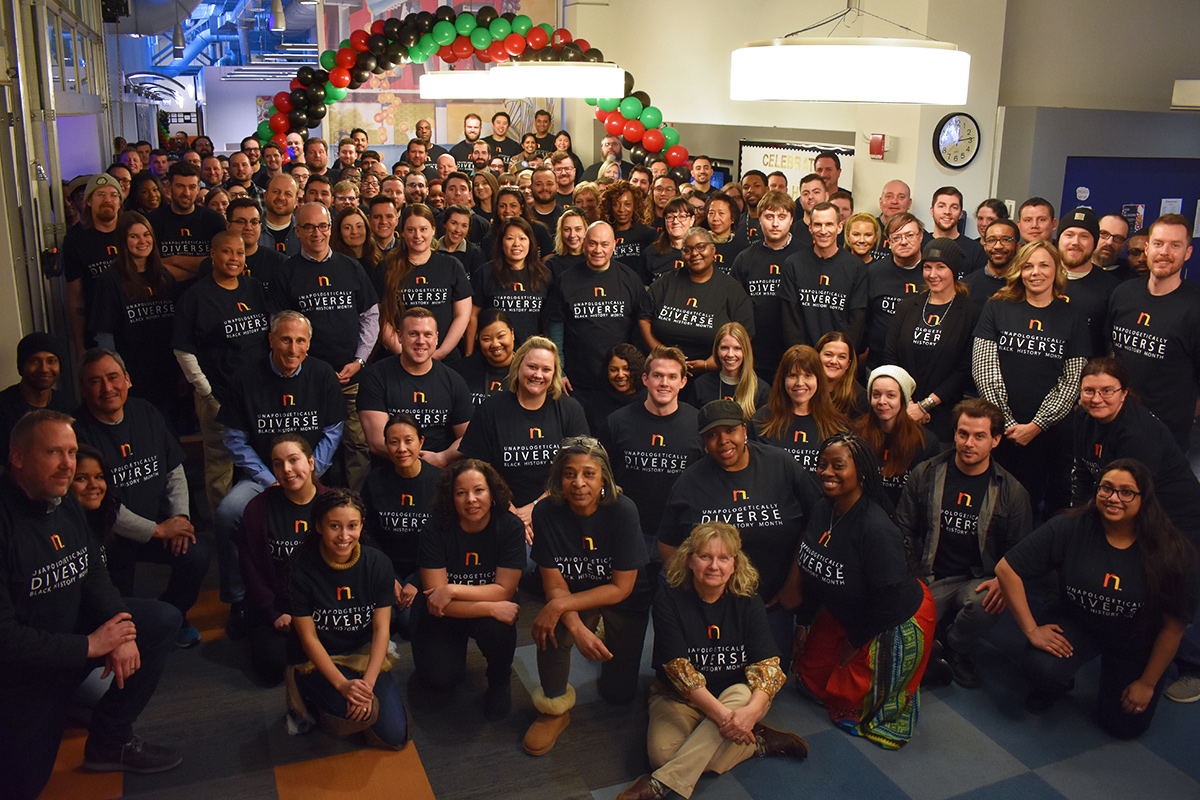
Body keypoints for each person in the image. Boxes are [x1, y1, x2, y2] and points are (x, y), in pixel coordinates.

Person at [0, 411, 182, 799]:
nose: (68, 465)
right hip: (21, 672)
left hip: (72, 633)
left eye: (71, 452)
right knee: (24, 784)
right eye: (53, 453)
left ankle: (110, 741)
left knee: (160, 621)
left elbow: (92, 572)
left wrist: (121, 628)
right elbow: (4, 638)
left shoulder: (62, 498)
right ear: (17, 457)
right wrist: (91, 646)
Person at [994, 460, 1199, 737]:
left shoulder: (1172, 552)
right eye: (1106, 489)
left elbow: (1174, 628)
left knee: (1123, 726)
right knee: (1042, 668)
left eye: (1127, 492)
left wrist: (1147, 684)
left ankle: (1121, 679)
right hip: (1077, 623)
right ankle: (1058, 683)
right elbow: (1006, 568)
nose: (1114, 498)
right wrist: (1031, 630)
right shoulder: (1071, 526)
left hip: (1135, 639)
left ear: (1145, 499)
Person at [616, 522, 806, 800]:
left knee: (679, 760)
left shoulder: (748, 600)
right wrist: (733, 723)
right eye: (705, 556)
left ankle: (659, 785)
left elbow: (768, 668)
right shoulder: (668, 599)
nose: (714, 566)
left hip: (736, 695)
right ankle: (758, 743)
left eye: (723, 558)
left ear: (734, 564)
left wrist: (751, 712)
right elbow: (680, 674)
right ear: (690, 560)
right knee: (662, 756)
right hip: (679, 697)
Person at [775, 433, 936, 750]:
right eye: (822, 465)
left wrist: (855, 642)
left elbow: (886, 599)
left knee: (851, 710)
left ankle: (923, 664)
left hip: (892, 617)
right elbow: (814, 573)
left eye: (838, 466)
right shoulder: (824, 509)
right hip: (847, 607)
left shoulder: (876, 528)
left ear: (861, 472)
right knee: (809, 683)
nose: (827, 472)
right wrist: (804, 624)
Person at [214, 310, 346, 635]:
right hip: (262, 476)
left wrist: (308, 472)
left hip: (311, 473)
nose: (292, 348)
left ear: (309, 344)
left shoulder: (323, 374)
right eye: (285, 339)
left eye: (300, 341)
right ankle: (239, 599)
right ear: (271, 339)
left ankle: (333, 595)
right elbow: (234, 438)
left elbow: (333, 429)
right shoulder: (245, 378)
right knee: (227, 512)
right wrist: (269, 478)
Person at [661, 399, 820, 660]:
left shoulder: (780, 464)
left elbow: (814, 522)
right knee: (715, 680)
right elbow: (668, 543)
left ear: (745, 430)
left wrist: (793, 582)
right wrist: (696, 590)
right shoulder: (689, 482)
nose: (723, 441)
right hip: (716, 605)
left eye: (730, 431)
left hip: (773, 601)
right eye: (712, 435)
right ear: (703, 440)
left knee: (771, 680)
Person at [524, 437, 651, 756]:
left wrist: (559, 604)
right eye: (569, 474)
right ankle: (553, 707)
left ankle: (604, 627)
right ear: (558, 477)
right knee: (550, 628)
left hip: (624, 600)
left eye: (589, 474)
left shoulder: (624, 510)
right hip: (575, 594)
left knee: (619, 694)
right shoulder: (546, 513)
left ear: (604, 478)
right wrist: (576, 626)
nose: (578, 483)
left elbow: (621, 588)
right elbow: (553, 584)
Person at [74, 349, 209, 648]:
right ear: (83, 389)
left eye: (113, 378)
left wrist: (181, 518)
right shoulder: (76, 432)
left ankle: (175, 614)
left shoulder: (146, 411)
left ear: (128, 380)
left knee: (197, 555)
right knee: (119, 609)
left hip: (157, 524)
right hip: (107, 537)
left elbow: (174, 469)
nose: (107, 388)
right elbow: (100, 500)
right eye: (95, 382)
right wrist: (158, 530)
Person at [897, 398, 1032, 688]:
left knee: (987, 601)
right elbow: (904, 530)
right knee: (900, 643)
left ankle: (956, 648)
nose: (969, 443)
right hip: (927, 573)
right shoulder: (925, 473)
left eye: (979, 436)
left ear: (995, 440)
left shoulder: (1013, 492)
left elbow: (1020, 552)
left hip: (977, 579)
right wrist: (909, 579)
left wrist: (1002, 580)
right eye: (963, 434)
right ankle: (934, 642)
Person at [270, 201, 380, 491]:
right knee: (309, 444)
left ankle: (355, 505)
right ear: (297, 231)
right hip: (307, 380)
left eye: (322, 226)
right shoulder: (286, 272)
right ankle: (312, 502)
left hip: (351, 375)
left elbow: (370, 316)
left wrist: (359, 360)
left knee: (357, 443)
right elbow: (279, 328)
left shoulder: (351, 267)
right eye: (308, 227)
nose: (316, 233)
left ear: (331, 229)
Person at [287, 488, 409, 750]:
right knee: (348, 712)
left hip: (362, 653)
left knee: (395, 736)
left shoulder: (378, 564)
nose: (344, 536)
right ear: (319, 526)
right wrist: (342, 685)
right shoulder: (302, 568)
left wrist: (368, 685)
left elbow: (381, 629)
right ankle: (300, 686)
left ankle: (356, 706)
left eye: (352, 526)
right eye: (334, 526)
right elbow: (308, 637)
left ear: (361, 526)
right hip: (320, 656)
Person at [973, 240, 1089, 514]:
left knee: (1040, 506)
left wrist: (1036, 425)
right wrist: (1010, 424)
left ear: (1057, 270)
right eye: (1028, 266)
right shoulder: (996, 307)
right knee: (996, 506)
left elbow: (1073, 379)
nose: (1035, 272)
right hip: (1001, 430)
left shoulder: (1073, 316)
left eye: (1044, 265)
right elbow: (984, 368)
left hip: (1050, 434)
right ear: (1019, 271)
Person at [412, 459, 523, 718]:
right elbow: (435, 601)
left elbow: (504, 591)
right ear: (451, 497)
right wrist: (489, 607)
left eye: (479, 490)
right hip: (444, 613)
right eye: (461, 493)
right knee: (438, 681)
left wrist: (452, 589)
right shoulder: (434, 529)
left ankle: (499, 679)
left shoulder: (509, 526)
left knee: (499, 624)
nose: (471, 499)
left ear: (492, 492)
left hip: (474, 607)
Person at [172, 229, 271, 513]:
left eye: (239, 253)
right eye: (227, 252)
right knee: (220, 465)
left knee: (259, 456)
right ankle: (223, 527)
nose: (234, 258)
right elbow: (184, 351)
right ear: (213, 255)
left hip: (258, 393)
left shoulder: (253, 288)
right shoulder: (196, 298)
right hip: (218, 394)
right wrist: (206, 391)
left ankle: (259, 520)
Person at [459, 336, 589, 539]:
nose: (538, 375)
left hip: (557, 509)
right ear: (518, 366)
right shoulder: (491, 409)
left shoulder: (570, 409)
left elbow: (579, 468)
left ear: (554, 373)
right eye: (532, 367)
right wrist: (513, 512)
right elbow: (478, 466)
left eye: (546, 369)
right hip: (501, 511)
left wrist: (536, 507)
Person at [600, 346, 702, 578]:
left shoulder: (699, 425)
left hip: (681, 537)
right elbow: (601, 477)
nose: (664, 383)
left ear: (683, 382)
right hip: (628, 534)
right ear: (645, 379)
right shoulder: (617, 422)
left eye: (672, 377)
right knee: (627, 609)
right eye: (657, 375)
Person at [1070, 357, 1200, 538]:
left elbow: (1130, 500)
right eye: (1089, 391)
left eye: (1107, 391)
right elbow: (1083, 474)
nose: (1096, 399)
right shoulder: (1083, 416)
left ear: (1124, 393)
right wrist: (1076, 521)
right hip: (1120, 503)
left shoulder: (1138, 435)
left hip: (1171, 520)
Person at [237, 434, 328, 685]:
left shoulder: (332, 503)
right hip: (277, 608)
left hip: (323, 606)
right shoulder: (257, 509)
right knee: (272, 667)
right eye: (278, 463)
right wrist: (273, 612)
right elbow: (250, 568)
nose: (286, 470)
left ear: (311, 463)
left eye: (293, 460)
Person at [1106, 213, 1200, 452]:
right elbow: (1110, 353)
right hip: (1114, 421)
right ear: (1147, 248)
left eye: (1175, 245)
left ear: (1187, 253)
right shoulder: (1123, 293)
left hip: (1164, 434)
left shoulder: (1195, 306)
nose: (1165, 252)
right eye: (1158, 243)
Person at [88, 211, 183, 423]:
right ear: (123, 240)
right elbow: (104, 335)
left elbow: (178, 326)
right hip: (133, 374)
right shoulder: (110, 280)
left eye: (146, 235)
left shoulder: (165, 276)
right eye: (134, 236)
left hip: (166, 370)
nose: (142, 241)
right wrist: (116, 376)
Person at [886, 238, 981, 441]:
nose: (932, 274)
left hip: (944, 415)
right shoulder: (907, 306)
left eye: (940, 267)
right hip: (902, 409)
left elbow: (964, 369)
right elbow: (891, 356)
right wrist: (909, 404)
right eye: (927, 267)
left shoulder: (970, 313)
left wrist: (925, 406)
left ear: (954, 270)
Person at [358, 306, 473, 467]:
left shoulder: (454, 381)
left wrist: (443, 457)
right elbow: (377, 442)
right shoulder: (375, 377)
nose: (421, 341)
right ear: (399, 336)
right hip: (390, 472)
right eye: (413, 334)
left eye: (427, 335)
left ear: (436, 338)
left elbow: (468, 438)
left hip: (440, 472)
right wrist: (415, 462)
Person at [544, 221, 644, 402]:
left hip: (621, 381)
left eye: (605, 244)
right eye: (593, 243)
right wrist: (560, 370)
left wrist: (634, 372)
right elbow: (556, 327)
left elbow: (639, 329)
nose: (598, 250)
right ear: (584, 244)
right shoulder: (566, 280)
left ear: (614, 245)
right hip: (576, 381)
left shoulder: (630, 279)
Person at [361, 415, 442, 639]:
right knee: (386, 619)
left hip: (426, 568)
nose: (401, 449)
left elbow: (446, 539)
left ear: (421, 442)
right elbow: (367, 532)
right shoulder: (374, 480)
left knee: (408, 622)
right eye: (393, 442)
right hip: (387, 566)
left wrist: (418, 580)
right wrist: (388, 577)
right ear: (386, 445)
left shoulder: (440, 481)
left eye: (408, 440)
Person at [639, 228, 755, 376]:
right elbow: (644, 318)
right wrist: (662, 354)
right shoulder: (666, 283)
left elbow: (745, 334)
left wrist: (710, 364)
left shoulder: (732, 290)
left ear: (713, 250)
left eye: (701, 247)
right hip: (665, 371)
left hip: (712, 376)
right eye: (687, 250)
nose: (694, 254)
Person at [375, 204, 473, 360]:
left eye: (423, 229)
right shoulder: (386, 267)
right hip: (399, 358)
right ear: (402, 233)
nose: (417, 235)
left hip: (444, 357)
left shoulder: (451, 266)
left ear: (433, 230)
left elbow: (463, 315)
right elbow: (382, 318)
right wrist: (404, 354)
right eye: (411, 230)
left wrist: (441, 352)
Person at [730, 191, 803, 380]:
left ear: (791, 219)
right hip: (756, 352)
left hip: (797, 351)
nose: (775, 223)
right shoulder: (744, 258)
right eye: (769, 217)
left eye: (782, 217)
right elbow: (735, 307)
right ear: (759, 219)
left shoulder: (806, 256)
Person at [780, 202, 868, 350]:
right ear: (810, 228)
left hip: (839, 357)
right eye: (818, 225)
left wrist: (838, 355)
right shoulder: (794, 264)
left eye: (829, 224)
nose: (823, 230)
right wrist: (803, 355)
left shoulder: (856, 267)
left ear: (839, 227)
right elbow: (790, 320)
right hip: (803, 356)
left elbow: (857, 321)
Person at [752, 345, 850, 472]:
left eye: (808, 375)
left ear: (818, 380)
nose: (800, 383)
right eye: (792, 375)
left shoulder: (838, 425)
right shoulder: (761, 421)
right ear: (782, 380)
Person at [855, 366, 941, 508]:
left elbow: (926, 496)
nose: (882, 401)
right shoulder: (857, 434)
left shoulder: (925, 441)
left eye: (891, 395)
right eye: (876, 395)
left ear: (903, 399)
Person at [63, 173, 124, 354]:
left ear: (120, 202)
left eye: (114, 195)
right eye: (100, 195)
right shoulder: (75, 240)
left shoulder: (132, 232)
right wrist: (80, 347)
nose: (108, 200)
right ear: (89, 201)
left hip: (137, 326)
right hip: (100, 330)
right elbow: (75, 297)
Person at [471, 216, 552, 346]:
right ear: (501, 243)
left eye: (522, 238)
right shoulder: (485, 273)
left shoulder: (544, 274)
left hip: (532, 351)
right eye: (510, 238)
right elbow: (472, 316)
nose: (516, 244)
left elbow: (549, 321)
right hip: (495, 349)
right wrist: (469, 354)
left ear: (530, 242)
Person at [864, 212, 925, 370]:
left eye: (910, 235)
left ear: (921, 236)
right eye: (897, 237)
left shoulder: (932, 274)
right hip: (878, 363)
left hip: (921, 364)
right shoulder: (874, 272)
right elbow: (865, 318)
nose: (904, 242)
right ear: (889, 241)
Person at [148, 161, 227, 282]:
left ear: (199, 188)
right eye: (180, 186)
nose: (186, 193)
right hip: (164, 294)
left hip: (206, 294)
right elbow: (152, 267)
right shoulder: (153, 220)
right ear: (169, 186)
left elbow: (220, 263)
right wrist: (201, 269)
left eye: (192, 187)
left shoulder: (214, 220)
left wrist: (174, 260)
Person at [1057, 206, 1119, 355]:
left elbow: (1111, 347)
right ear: (1059, 239)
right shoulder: (1041, 278)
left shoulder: (1112, 288)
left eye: (1084, 236)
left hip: (1088, 374)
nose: (1075, 242)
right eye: (1069, 235)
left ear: (1094, 243)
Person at [0, 332, 71, 456]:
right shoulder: (3, 407)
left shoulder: (68, 406)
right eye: (35, 361)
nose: (44, 369)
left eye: (51, 361)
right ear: (22, 366)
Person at [689, 322, 767, 417]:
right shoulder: (701, 384)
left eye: (737, 348)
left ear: (746, 351)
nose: (730, 354)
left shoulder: (761, 390)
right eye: (724, 348)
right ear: (717, 350)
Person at [452, 308, 516, 407]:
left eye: (501, 336)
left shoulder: (525, 370)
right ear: (479, 339)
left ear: (512, 334)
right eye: (487, 339)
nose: (495, 344)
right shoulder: (461, 371)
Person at [586, 342, 647, 433]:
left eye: (626, 369)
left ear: (637, 370)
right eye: (613, 370)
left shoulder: (649, 399)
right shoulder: (596, 401)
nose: (620, 375)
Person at [962, 219, 1019, 312]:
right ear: (984, 246)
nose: (998, 246)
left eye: (1005, 240)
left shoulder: (1024, 284)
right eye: (992, 240)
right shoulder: (966, 287)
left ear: (1018, 246)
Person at [928, 187, 987, 274]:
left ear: (960, 214)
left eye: (954, 207)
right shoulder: (920, 244)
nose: (947, 212)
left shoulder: (976, 250)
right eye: (941, 206)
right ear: (932, 211)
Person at [602, 180, 657, 266]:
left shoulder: (649, 234)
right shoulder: (604, 235)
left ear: (634, 206)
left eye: (627, 204)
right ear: (610, 206)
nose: (621, 209)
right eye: (616, 204)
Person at [640, 197, 693, 284]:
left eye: (682, 216)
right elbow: (643, 288)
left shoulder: (700, 253)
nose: (675, 221)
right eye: (670, 217)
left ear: (692, 220)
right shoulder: (650, 253)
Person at [816, 331, 866, 419]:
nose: (834, 361)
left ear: (848, 364)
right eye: (828, 355)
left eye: (841, 357)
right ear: (816, 357)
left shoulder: (859, 398)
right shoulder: (804, 389)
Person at [331, 205, 381, 273]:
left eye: (359, 226)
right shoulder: (334, 264)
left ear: (367, 229)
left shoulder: (378, 260)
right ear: (339, 232)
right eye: (347, 228)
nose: (354, 232)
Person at [705, 192, 746, 272]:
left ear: (733, 218)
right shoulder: (701, 244)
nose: (715, 218)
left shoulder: (743, 249)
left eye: (721, 213)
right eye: (711, 213)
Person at [545, 206, 587, 275]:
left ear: (586, 230)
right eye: (567, 229)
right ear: (561, 232)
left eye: (578, 229)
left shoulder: (594, 260)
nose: (572, 235)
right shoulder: (552, 264)